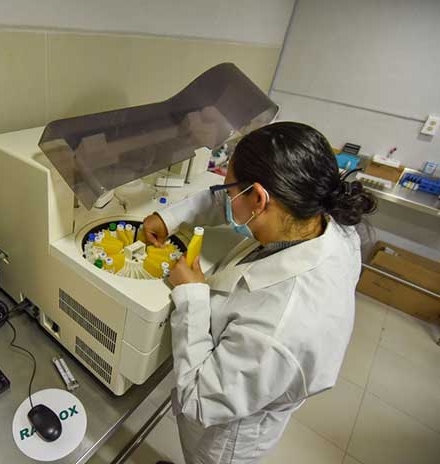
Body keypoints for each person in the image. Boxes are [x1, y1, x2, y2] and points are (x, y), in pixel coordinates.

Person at [143, 122, 376, 464]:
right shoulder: (318, 216)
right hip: (249, 388)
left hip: (227, 440)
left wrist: (191, 297)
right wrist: (171, 217)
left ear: (259, 199)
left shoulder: (283, 327)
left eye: (231, 185)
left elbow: (198, 398)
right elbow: (229, 200)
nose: (225, 194)